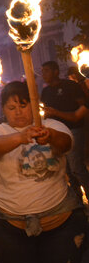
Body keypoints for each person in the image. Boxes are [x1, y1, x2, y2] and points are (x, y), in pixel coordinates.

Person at [0, 81, 87, 263]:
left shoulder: (51, 125)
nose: (18, 112)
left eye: (23, 105)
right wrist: (21, 137)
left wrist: (51, 136)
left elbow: (67, 143)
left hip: (59, 222)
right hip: (11, 226)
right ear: (3, 108)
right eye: (11, 107)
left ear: (34, 104)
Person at [41, 61, 89, 196]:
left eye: (47, 70)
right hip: (57, 134)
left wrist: (56, 112)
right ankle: (77, 202)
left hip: (74, 130)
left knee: (76, 168)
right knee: (66, 170)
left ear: (56, 71)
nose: (43, 74)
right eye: (43, 71)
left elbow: (81, 109)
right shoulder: (46, 91)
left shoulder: (70, 86)